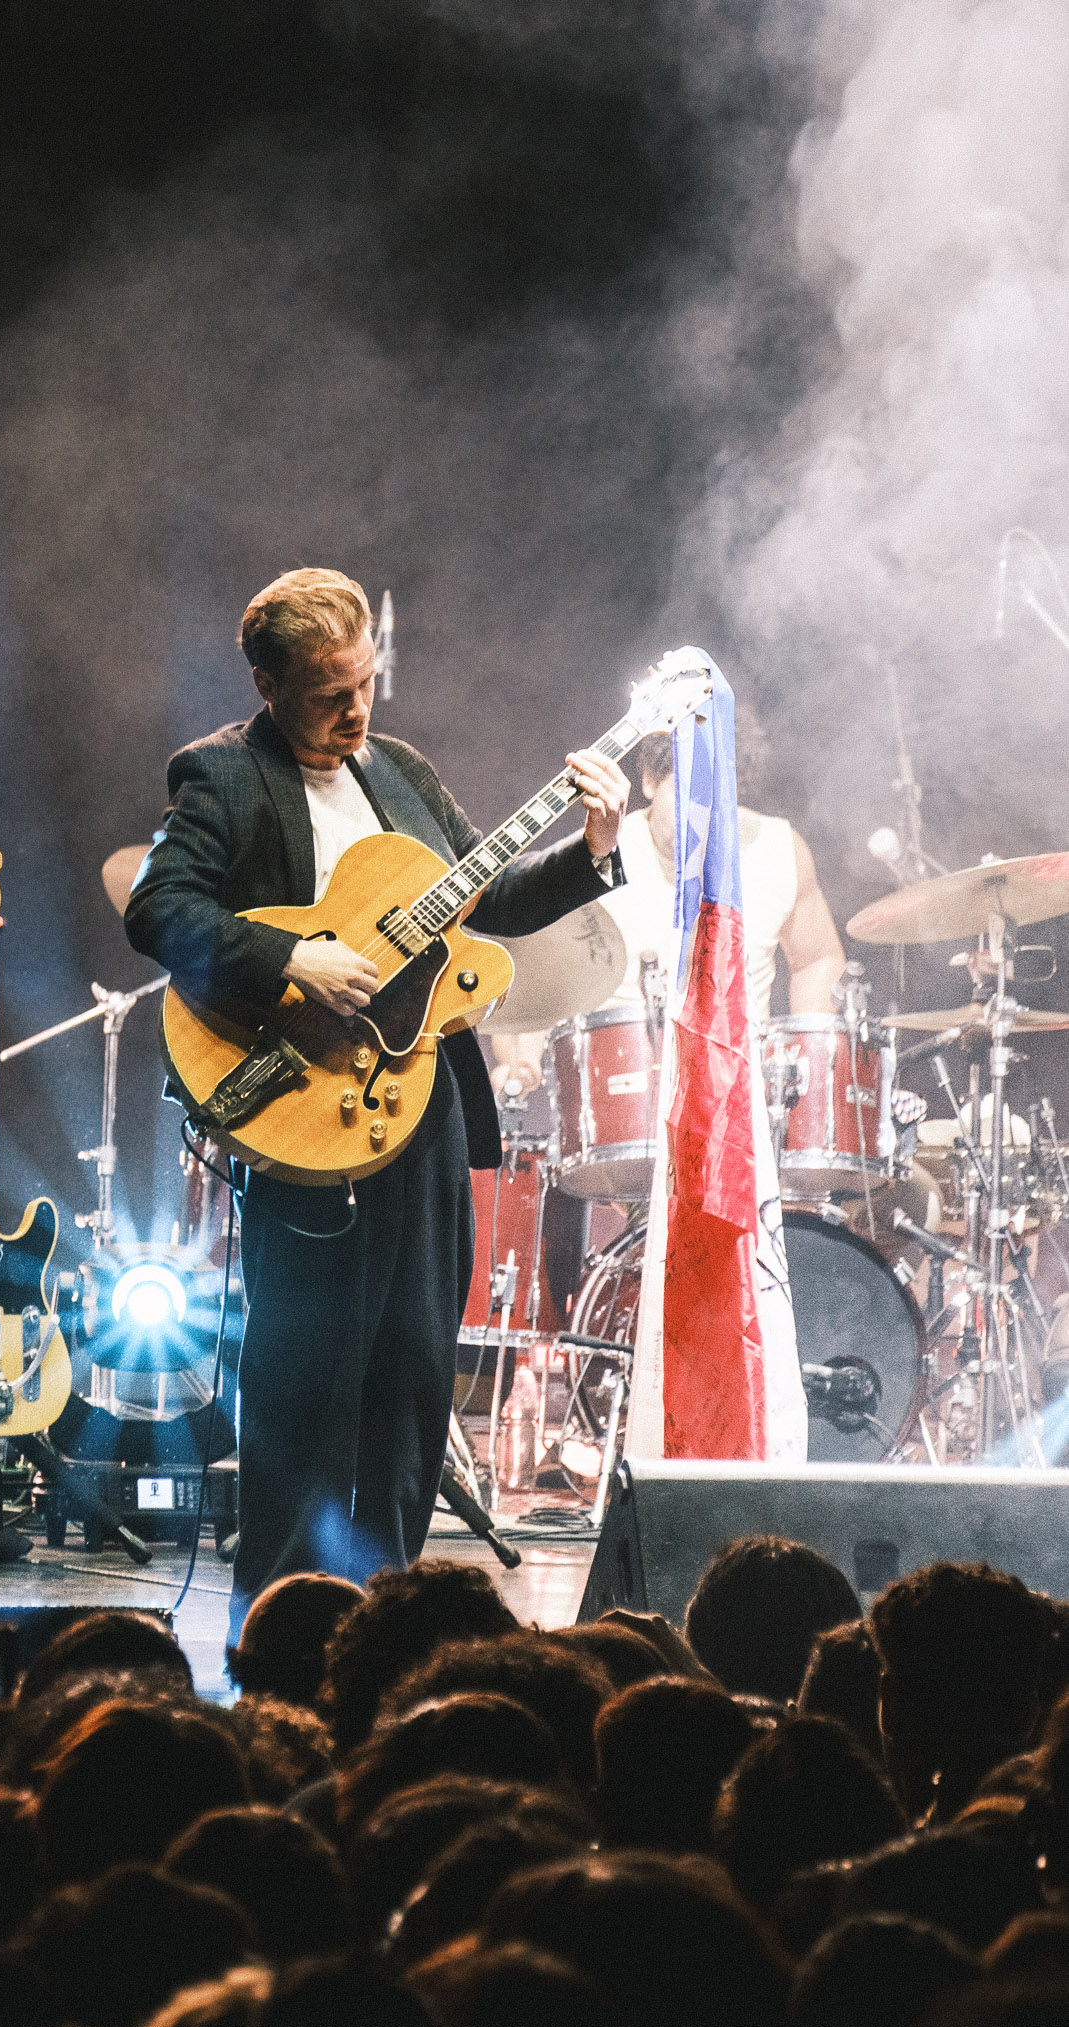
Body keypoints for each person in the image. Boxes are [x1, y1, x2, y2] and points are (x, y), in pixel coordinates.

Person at [126, 569, 629, 1638]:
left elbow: (487, 897)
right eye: (329, 694)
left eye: (365, 683)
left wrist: (592, 852)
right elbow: (158, 908)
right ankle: (279, 1629)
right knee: (306, 1388)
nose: (356, 711)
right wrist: (293, 956)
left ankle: (391, 1628)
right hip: (304, 1110)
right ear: (267, 687)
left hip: (421, 1106)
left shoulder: (399, 771)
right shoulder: (222, 775)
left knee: (411, 1380)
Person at [489, 725, 847, 1098]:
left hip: (740, 1093)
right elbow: (535, 983)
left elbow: (817, 960)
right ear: (649, 780)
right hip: (622, 1091)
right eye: (686, 792)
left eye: (714, 799)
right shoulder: (594, 859)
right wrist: (522, 1064)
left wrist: (812, 1063)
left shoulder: (778, 848)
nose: (699, 816)